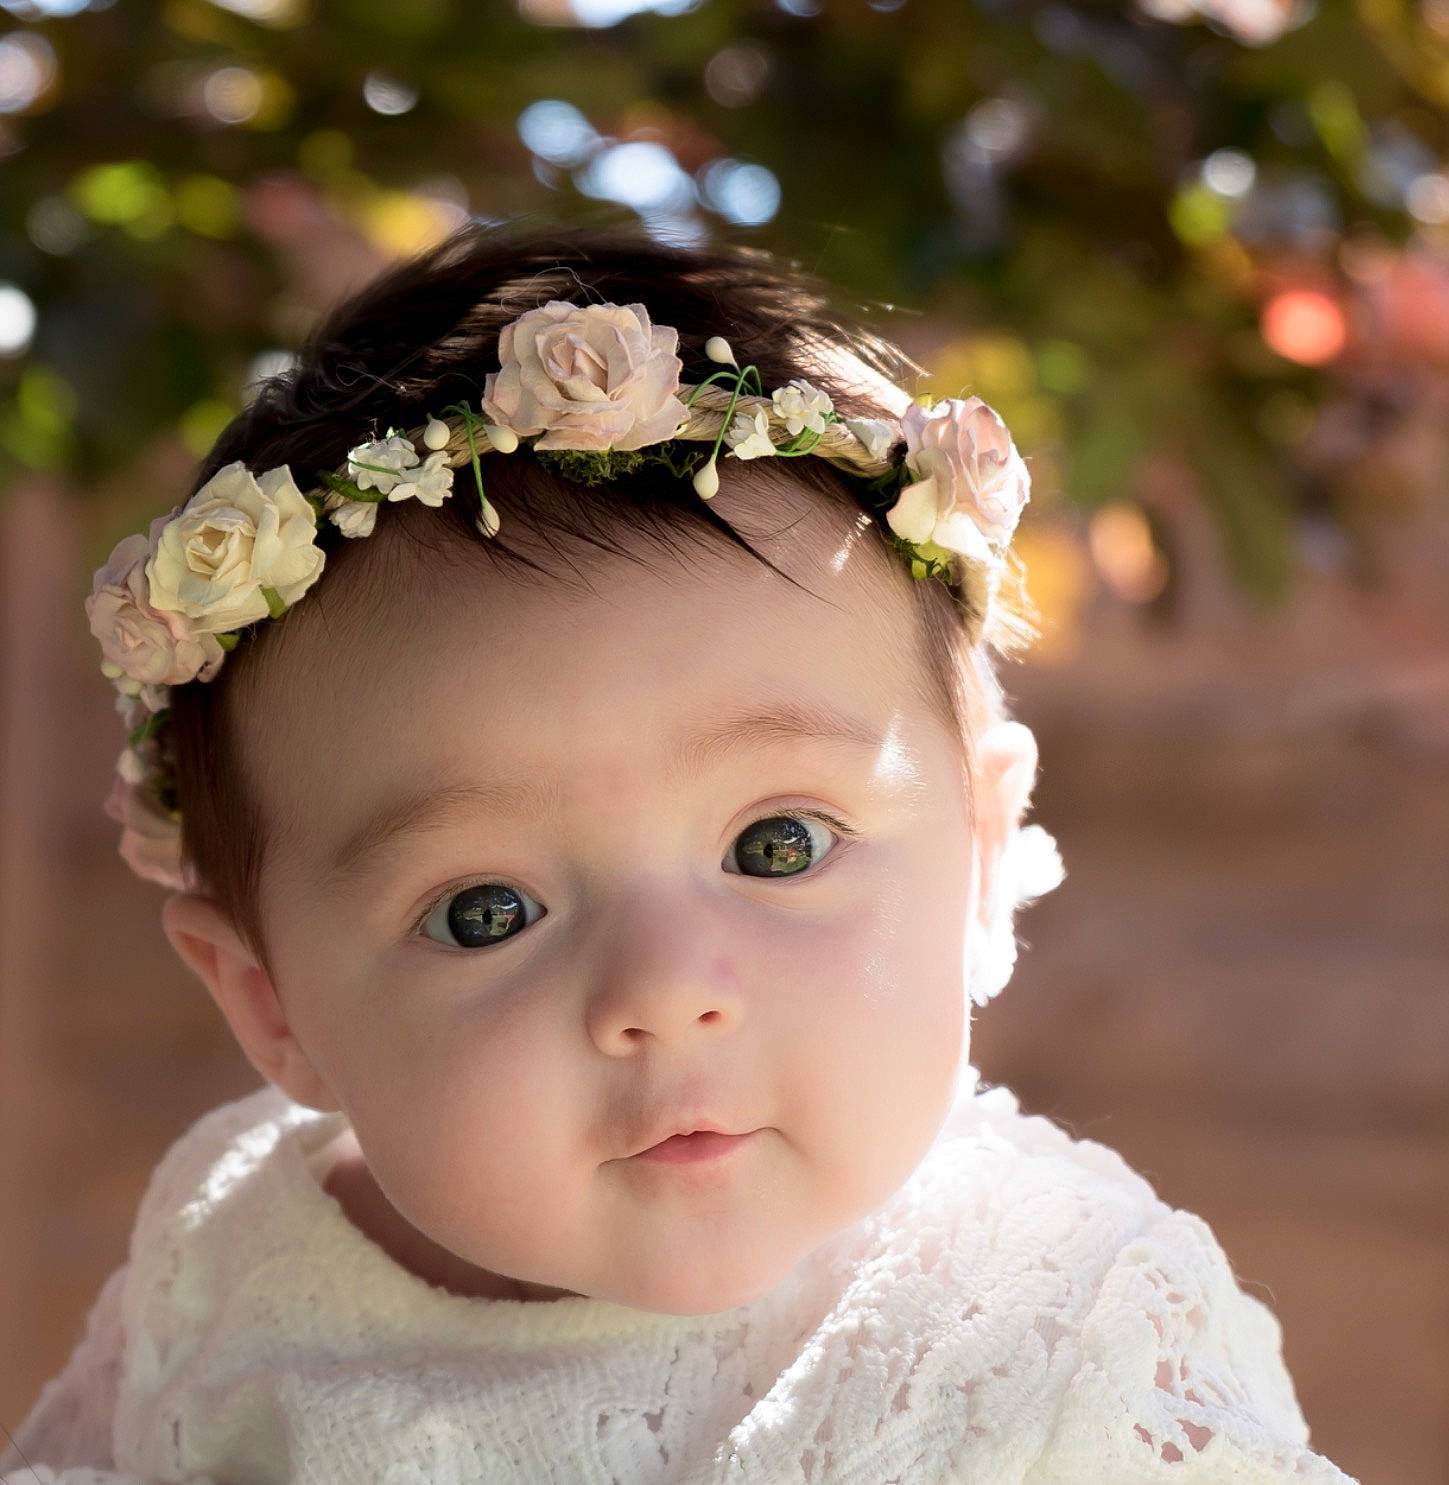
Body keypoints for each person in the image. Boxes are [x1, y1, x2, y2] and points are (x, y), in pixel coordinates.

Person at [9, 220, 1356, 1484]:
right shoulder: (235, 1254)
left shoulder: (1060, 1326)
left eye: (778, 842)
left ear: (985, 854)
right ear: (269, 1001)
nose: (664, 987)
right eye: (486, 909)